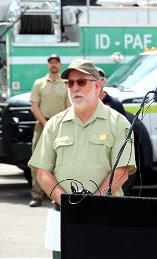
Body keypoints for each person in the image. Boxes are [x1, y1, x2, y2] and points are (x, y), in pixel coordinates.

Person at [28, 59, 136, 258]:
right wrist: (66, 203)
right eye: (70, 83)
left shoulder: (118, 122)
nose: (75, 88)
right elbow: (42, 171)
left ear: (97, 85)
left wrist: (92, 203)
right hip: (63, 214)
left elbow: (121, 172)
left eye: (81, 82)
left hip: (105, 212)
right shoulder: (55, 124)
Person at [28, 54, 70, 207]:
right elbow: (34, 106)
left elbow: (68, 107)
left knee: (62, 159)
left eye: (56, 62)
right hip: (42, 123)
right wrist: (46, 123)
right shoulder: (39, 83)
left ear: (60, 65)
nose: (53, 65)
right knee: (37, 159)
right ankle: (37, 195)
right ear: (48, 65)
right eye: (51, 62)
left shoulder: (65, 84)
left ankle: (59, 196)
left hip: (61, 124)